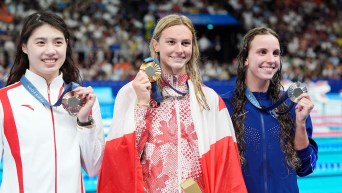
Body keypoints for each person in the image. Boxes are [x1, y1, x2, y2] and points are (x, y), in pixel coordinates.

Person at [97, 14, 247, 193]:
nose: (179, 49)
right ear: (156, 45)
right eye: (171, 42)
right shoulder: (131, 93)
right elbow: (122, 159)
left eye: (185, 43)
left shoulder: (208, 98)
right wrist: (143, 104)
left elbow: (225, 163)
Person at [0, 11, 104, 193]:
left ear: (66, 45)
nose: (50, 51)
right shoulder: (4, 100)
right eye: (40, 42)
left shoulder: (83, 99)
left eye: (58, 42)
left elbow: (94, 168)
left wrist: (84, 119)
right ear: (24, 46)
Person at [221, 27, 318, 193]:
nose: (271, 59)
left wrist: (301, 123)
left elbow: (305, 168)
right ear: (245, 58)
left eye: (276, 53)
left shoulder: (291, 104)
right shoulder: (224, 105)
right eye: (262, 52)